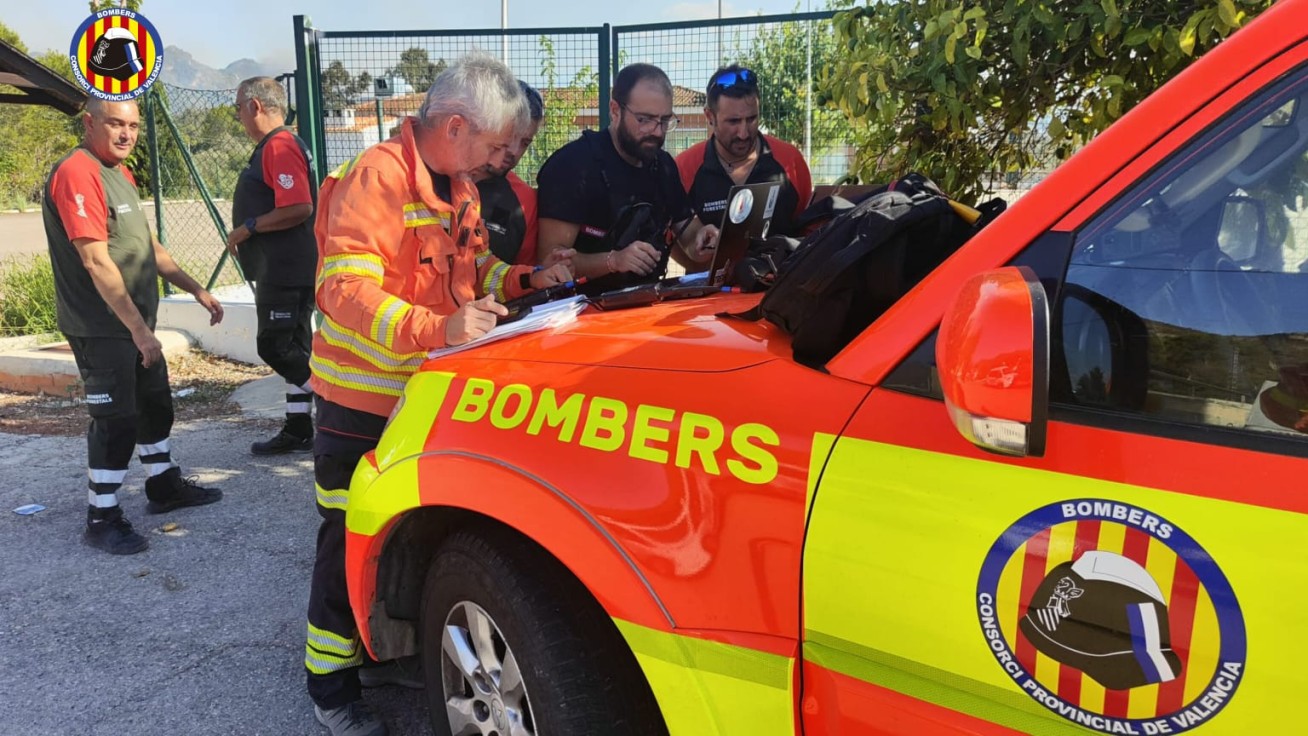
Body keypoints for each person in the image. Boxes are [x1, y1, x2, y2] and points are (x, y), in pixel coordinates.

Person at [304, 53, 572, 736]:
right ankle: (330, 687)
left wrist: (526, 281)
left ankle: (379, 649)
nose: (501, 159)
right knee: (346, 540)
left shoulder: (460, 186)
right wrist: (437, 329)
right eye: (494, 144)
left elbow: (474, 268)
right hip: (359, 408)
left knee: (402, 539)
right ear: (456, 126)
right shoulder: (376, 179)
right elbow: (343, 291)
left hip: (424, 396)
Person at [42, 98, 225, 556]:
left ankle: (163, 486)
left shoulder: (118, 173)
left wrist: (194, 287)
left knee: (155, 405)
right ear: (89, 123)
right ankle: (101, 516)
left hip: (135, 322)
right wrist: (139, 332)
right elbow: (95, 260)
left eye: (134, 126)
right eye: (115, 124)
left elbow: (147, 245)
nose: (126, 134)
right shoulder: (77, 172)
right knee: (116, 419)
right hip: (101, 325)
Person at [537, 63, 719, 283]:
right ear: (615, 110)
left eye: (664, 121)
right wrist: (613, 261)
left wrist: (702, 238)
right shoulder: (573, 165)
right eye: (644, 119)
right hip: (583, 307)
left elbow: (688, 230)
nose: (656, 131)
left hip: (648, 300)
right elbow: (550, 261)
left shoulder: (662, 165)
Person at [226, 76, 320, 455]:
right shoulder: (278, 145)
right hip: (288, 268)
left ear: (255, 106)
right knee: (296, 346)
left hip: (285, 270)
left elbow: (299, 207)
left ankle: (338, 401)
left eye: (238, 109)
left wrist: (249, 228)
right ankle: (299, 427)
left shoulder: (279, 146)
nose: (239, 118)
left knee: (274, 346)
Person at [675, 65, 813, 237]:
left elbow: (808, 227)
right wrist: (699, 258)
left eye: (752, 119)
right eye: (733, 121)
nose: (744, 133)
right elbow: (675, 241)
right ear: (710, 116)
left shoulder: (790, 161)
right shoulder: (684, 168)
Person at [476, 80, 544, 265]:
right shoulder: (444, 173)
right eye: (510, 135)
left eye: (525, 142)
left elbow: (523, 276)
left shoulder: (524, 200)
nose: (514, 150)